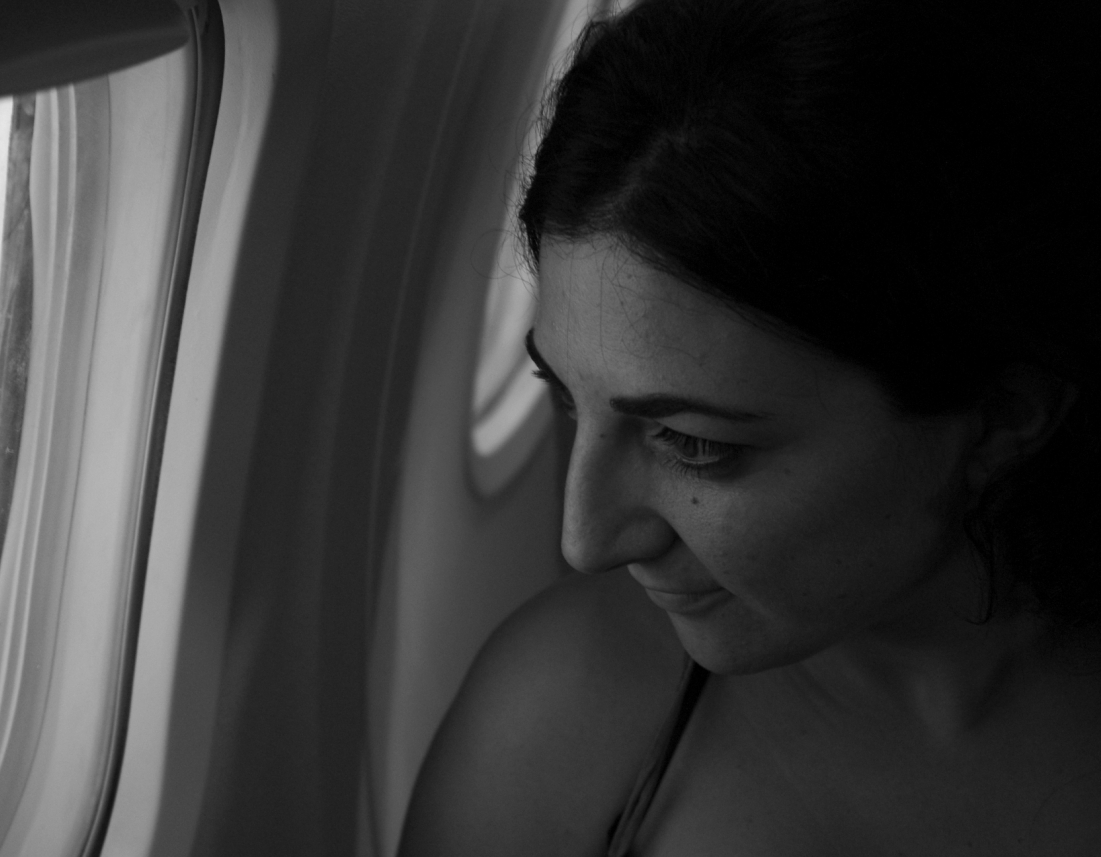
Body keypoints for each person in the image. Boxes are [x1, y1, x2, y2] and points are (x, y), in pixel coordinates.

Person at [396, 0, 1101, 853]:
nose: (587, 541)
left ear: (1003, 418)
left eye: (696, 444)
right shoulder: (556, 717)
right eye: (568, 398)